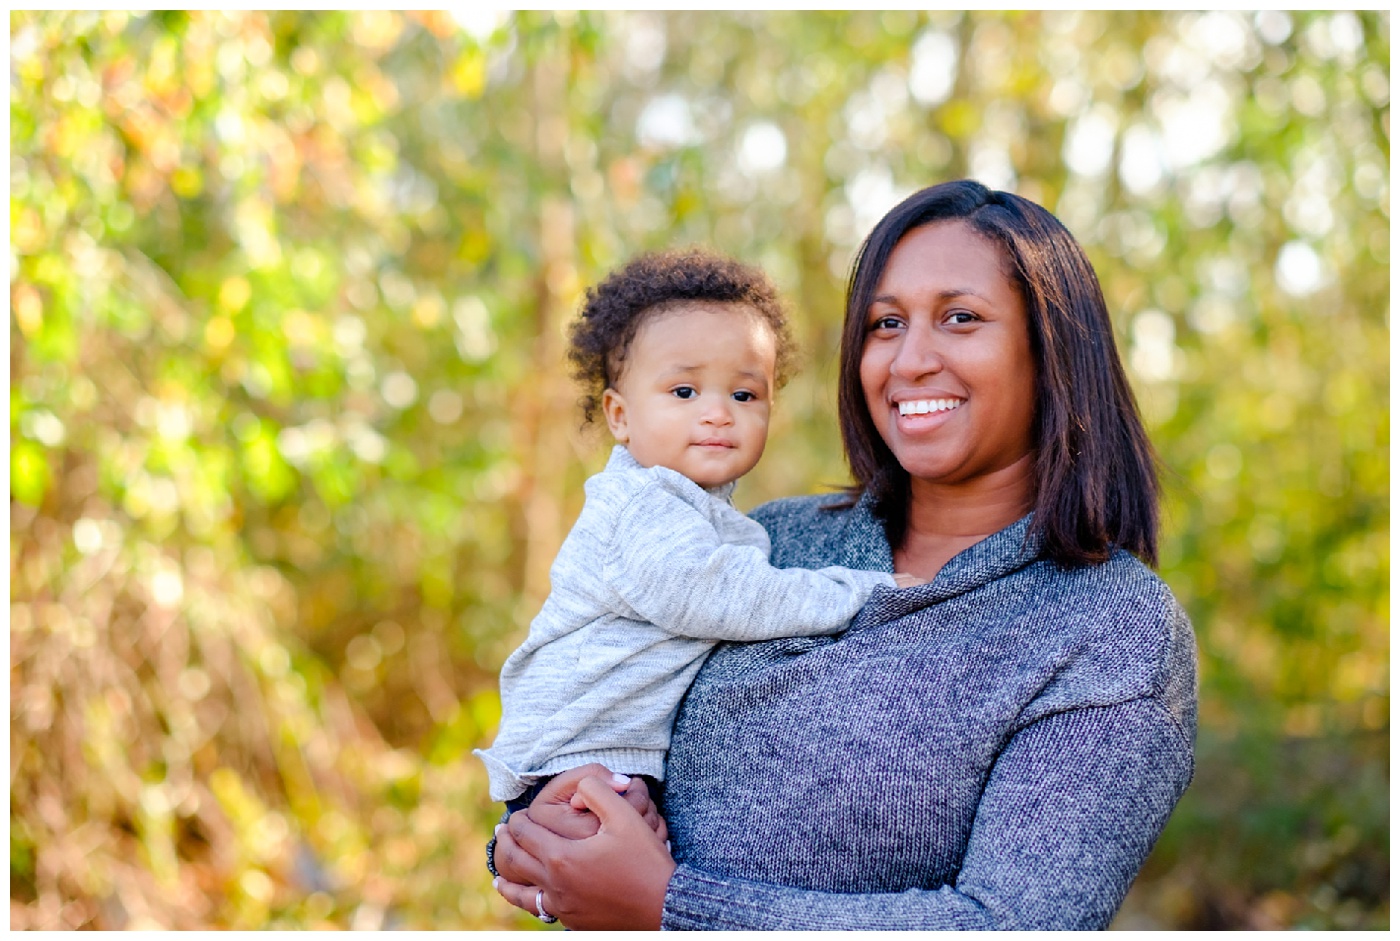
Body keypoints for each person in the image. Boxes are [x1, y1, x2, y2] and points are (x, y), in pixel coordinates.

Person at [489, 180, 1197, 930]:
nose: (910, 358)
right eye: (886, 323)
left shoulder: (1112, 632)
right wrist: (539, 835)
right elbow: (598, 693)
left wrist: (671, 906)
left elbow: (1009, 925)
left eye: (961, 318)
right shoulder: (774, 540)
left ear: (1050, 349)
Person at [474, 249, 923, 836]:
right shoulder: (642, 508)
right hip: (574, 757)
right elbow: (720, 596)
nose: (717, 414)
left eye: (743, 396)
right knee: (606, 886)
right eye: (684, 392)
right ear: (620, 415)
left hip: (616, 760)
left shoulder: (707, 514)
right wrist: (862, 592)